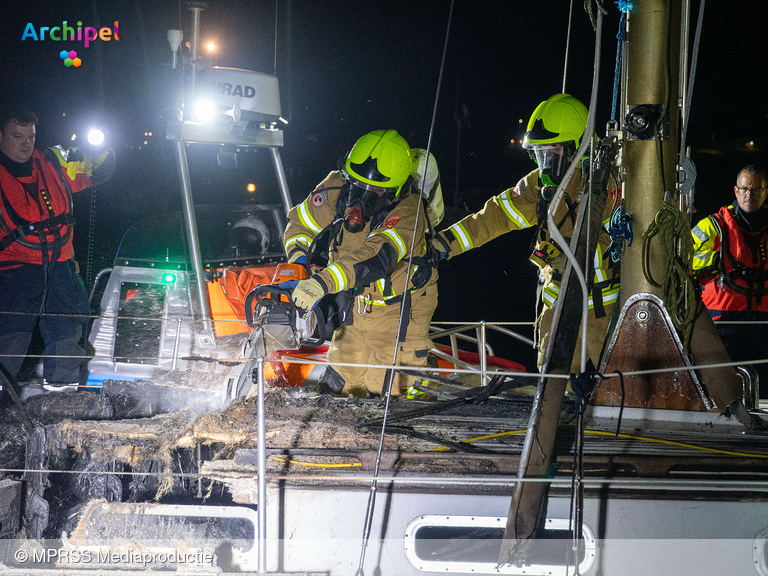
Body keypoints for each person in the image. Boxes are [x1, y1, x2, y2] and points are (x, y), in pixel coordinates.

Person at [432, 93, 620, 372]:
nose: (544, 163)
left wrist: (569, 255)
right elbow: (494, 216)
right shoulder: (539, 186)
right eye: (539, 154)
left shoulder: (610, 185)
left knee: (613, 393)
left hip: (603, 318)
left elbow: (619, 244)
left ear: (576, 147)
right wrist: (442, 244)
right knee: (554, 392)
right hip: (556, 314)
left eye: (551, 151)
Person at [283, 129, 438, 398]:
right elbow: (301, 225)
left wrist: (323, 282)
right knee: (337, 386)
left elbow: (376, 256)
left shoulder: (410, 211)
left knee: (389, 392)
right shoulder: (336, 185)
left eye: (372, 194)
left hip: (400, 312)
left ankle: (423, 380)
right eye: (355, 188)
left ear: (395, 192)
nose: (358, 204)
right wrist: (299, 265)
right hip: (355, 307)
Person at [0, 105, 115, 391]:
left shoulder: (52, 161)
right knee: (9, 335)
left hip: (60, 263)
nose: (26, 144)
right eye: (17, 136)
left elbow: (96, 170)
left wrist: (99, 147)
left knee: (66, 331)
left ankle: (61, 398)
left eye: (31, 136)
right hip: (14, 268)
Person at [691, 165, 768, 398]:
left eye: (756, 190)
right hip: (722, 325)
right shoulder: (712, 227)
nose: (749, 195)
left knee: (763, 392)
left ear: (765, 192)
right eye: (744, 189)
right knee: (725, 394)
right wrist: (715, 262)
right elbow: (681, 264)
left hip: (763, 326)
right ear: (736, 191)